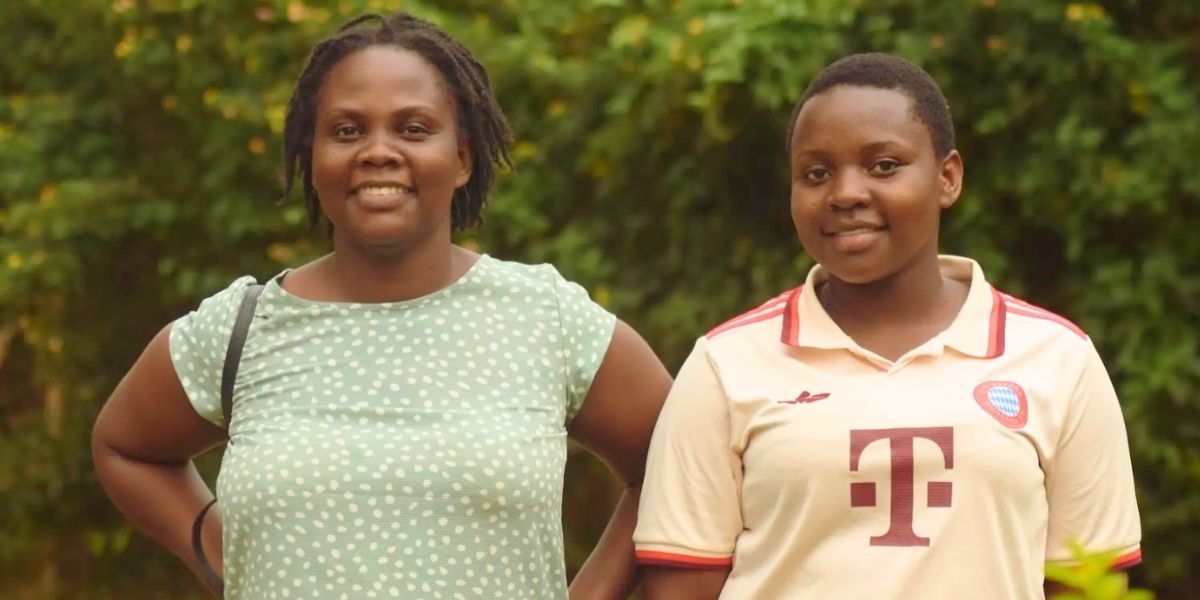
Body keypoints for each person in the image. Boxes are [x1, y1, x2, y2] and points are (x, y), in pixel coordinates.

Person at [92, 12, 670, 599]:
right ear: (311, 157)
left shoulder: (545, 318)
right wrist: (228, 557)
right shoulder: (243, 327)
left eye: (414, 129)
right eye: (346, 131)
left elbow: (678, 465)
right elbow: (125, 448)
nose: (378, 151)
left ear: (464, 158)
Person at [632, 53, 1141, 599]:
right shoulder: (724, 365)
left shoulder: (1058, 358)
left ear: (947, 178)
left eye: (883, 166)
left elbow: (1090, 585)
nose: (845, 193)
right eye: (816, 173)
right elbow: (682, 587)